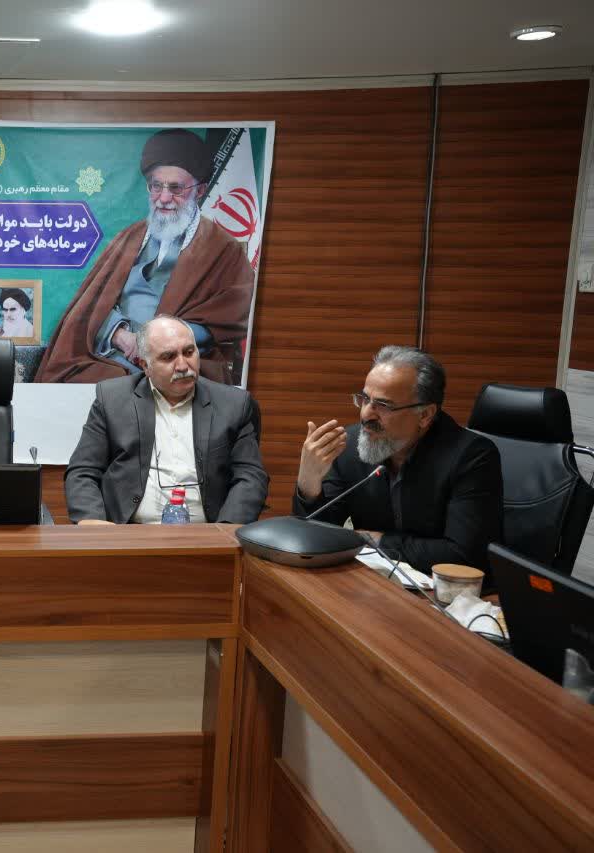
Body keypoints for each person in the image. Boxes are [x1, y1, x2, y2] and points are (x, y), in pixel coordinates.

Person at [35, 129, 254, 385]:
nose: (164, 198)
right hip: (112, 353)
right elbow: (91, 307)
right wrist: (118, 334)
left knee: (122, 388)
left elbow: (227, 319)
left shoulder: (223, 249)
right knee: (73, 382)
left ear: (200, 191)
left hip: (176, 361)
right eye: (156, 186)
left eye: (176, 188)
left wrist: (156, 342)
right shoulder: (130, 237)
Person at [293, 345, 502, 575]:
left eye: (383, 405)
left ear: (425, 415)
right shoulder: (350, 445)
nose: (366, 414)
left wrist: (381, 541)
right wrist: (308, 485)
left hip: (442, 590)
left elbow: (463, 556)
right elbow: (318, 537)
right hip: (375, 582)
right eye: (364, 399)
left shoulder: (471, 456)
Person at [65, 315, 268, 525]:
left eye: (189, 352)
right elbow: (83, 471)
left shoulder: (233, 404)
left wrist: (226, 530)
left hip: (207, 532)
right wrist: (92, 521)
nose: (183, 365)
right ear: (145, 366)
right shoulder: (112, 399)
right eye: (169, 357)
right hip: (128, 532)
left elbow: (251, 477)